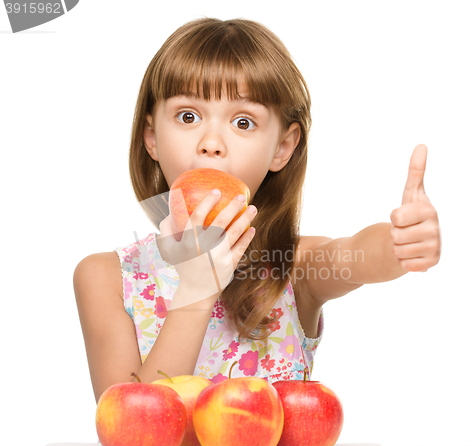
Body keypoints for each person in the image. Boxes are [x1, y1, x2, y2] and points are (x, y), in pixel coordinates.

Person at [73, 18, 441, 405]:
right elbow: (136, 426)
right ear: (151, 137)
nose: (211, 143)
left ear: (282, 147)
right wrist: (197, 291)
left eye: (243, 122)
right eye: (188, 116)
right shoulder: (109, 279)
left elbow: (357, 255)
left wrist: (401, 244)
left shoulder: (295, 266)